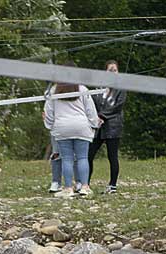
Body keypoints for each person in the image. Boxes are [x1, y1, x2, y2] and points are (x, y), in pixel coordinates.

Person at [43, 66, 101, 197]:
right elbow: (90, 110)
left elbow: (49, 112)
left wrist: (49, 125)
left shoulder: (54, 90)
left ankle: (68, 188)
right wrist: (94, 124)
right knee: (82, 158)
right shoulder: (82, 89)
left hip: (62, 127)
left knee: (67, 159)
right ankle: (84, 187)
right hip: (81, 127)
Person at [88, 60, 127, 194]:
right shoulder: (99, 87)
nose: (113, 72)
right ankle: (85, 184)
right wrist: (95, 118)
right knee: (89, 155)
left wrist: (103, 116)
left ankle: (112, 185)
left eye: (115, 70)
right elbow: (91, 103)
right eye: (110, 70)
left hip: (113, 126)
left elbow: (118, 106)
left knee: (112, 156)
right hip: (97, 127)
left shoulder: (121, 88)